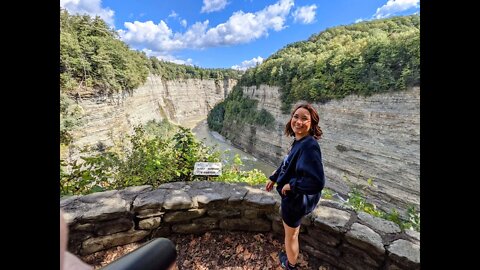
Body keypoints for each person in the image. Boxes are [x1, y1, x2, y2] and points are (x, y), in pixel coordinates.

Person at [265, 103, 325, 270]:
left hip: (294, 202)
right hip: (296, 199)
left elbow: (317, 182)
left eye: (304, 118)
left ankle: (290, 265)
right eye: (296, 116)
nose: (298, 121)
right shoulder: (299, 141)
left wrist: (291, 186)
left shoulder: (309, 146)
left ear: (312, 124)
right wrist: (274, 177)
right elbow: (287, 163)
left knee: (291, 237)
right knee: (292, 234)